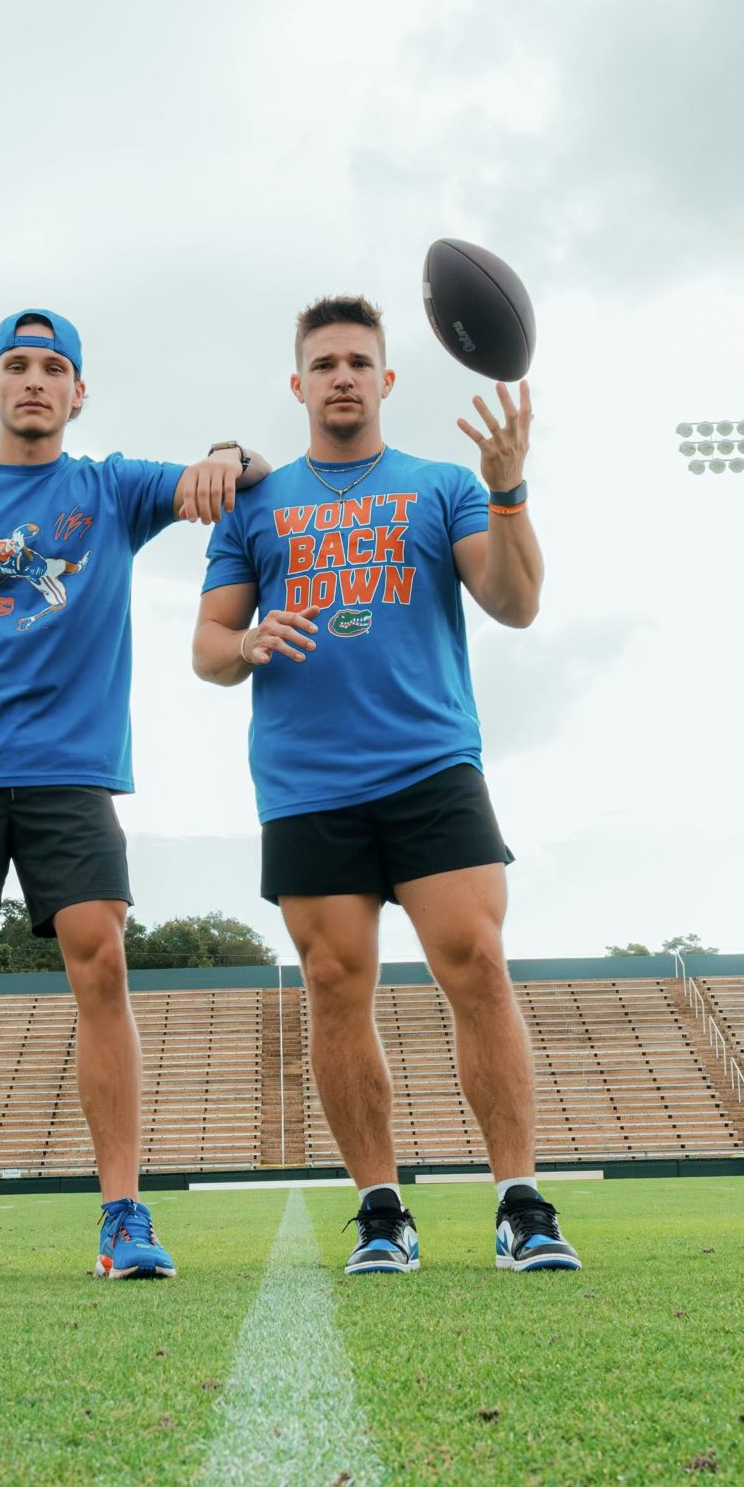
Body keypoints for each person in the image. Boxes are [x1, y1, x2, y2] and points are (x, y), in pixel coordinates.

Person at [0, 307, 269, 1285]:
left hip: (68, 772)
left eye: (52, 368)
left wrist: (219, 450)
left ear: (78, 392)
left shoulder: (110, 489)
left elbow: (244, 469)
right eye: (15, 365)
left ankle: (121, 1214)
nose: (33, 380)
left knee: (102, 963)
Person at [194, 293, 579, 1275]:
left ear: (386, 378)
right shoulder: (255, 504)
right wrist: (243, 642)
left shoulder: (440, 486)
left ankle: (518, 1203)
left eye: (358, 361)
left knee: (478, 964)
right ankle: (379, 1210)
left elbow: (515, 602)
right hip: (307, 781)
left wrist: (508, 490)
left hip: (429, 766)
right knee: (332, 987)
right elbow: (205, 646)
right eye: (322, 362)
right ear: (297, 383)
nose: (341, 376)